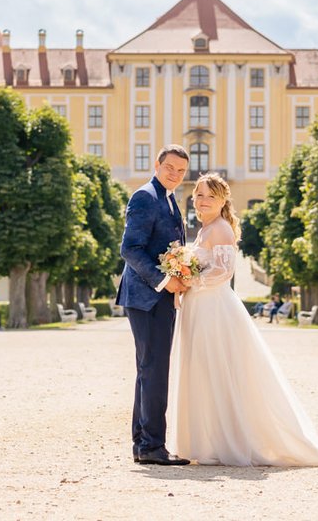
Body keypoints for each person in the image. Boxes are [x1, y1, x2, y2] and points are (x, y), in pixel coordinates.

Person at [170, 173, 318, 467]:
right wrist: (182, 278)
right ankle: (205, 441)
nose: (203, 201)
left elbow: (224, 272)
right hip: (200, 306)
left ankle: (223, 442)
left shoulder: (220, 229)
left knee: (215, 370)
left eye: (210, 196)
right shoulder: (203, 229)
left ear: (223, 201)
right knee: (201, 369)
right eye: (199, 195)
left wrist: (188, 281)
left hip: (214, 310)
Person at [116, 144, 191, 467]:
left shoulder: (169, 198)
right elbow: (130, 249)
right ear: (157, 165)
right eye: (170, 167)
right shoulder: (145, 196)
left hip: (156, 298)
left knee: (149, 370)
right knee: (155, 371)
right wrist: (165, 281)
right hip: (147, 297)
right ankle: (152, 446)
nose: (174, 174)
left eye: (181, 171)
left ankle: (142, 443)